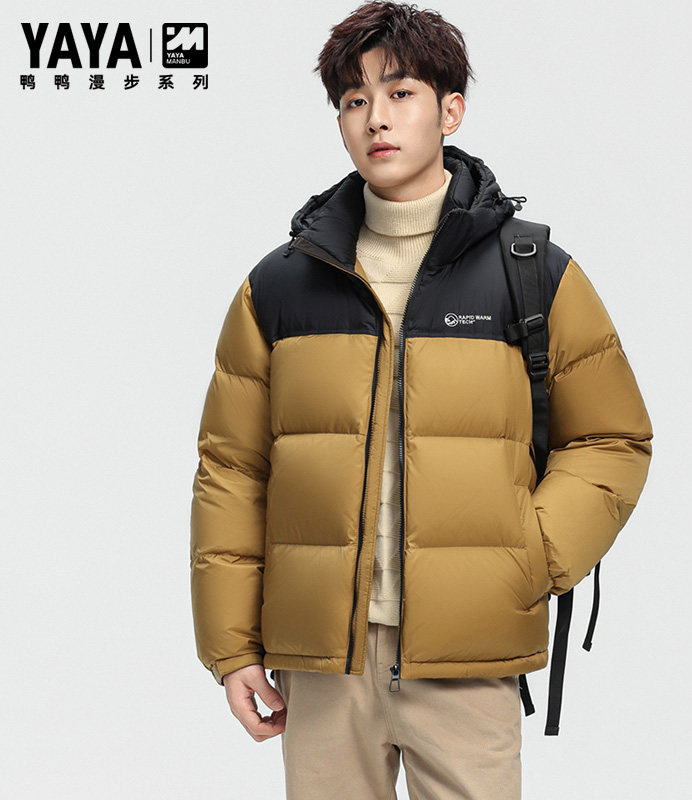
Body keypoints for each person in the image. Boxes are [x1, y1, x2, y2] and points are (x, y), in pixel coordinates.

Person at [189, 2, 653, 797]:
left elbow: (613, 439)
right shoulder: (280, 286)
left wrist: (529, 556)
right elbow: (232, 470)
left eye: (400, 93)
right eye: (354, 99)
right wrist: (232, 649)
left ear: (451, 110)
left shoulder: (532, 273)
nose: (376, 117)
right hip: (325, 665)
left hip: (467, 661)